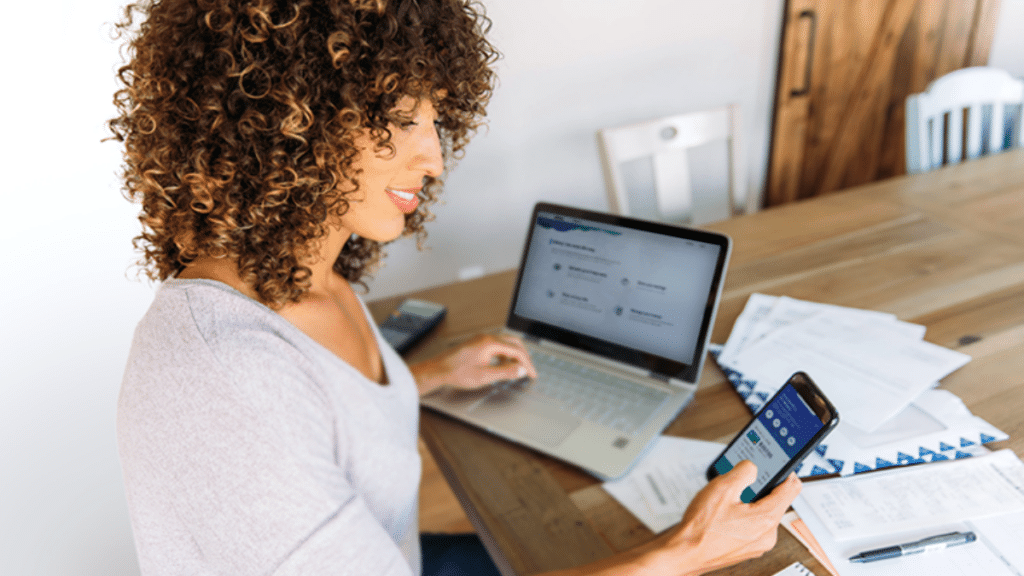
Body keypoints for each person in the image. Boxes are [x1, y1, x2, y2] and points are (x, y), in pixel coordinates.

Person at [109, 0, 801, 574]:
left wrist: (429, 375)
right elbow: (271, 417)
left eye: (435, 119)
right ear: (285, 119)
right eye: (402, 119)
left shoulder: (306, 277)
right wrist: (686, 550)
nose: (435, 157)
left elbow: (320, 411)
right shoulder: (224, 381)